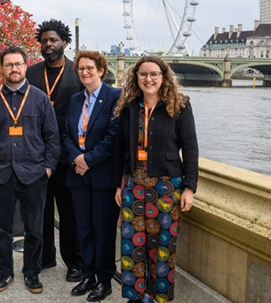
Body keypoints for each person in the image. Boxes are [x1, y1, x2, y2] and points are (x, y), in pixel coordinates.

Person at [113, 56, 199, 303]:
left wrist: (189, 188)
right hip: (133, 184)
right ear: (135, 77)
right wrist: (119, 185)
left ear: (163, 76)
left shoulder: (180, 105)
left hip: (167, 186)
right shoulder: (130, 106)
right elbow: (120, 151)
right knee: (132, 244)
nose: (148, 79)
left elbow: (190, 149)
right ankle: (135, 294)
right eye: (143, 74)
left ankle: (157, 295)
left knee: (163, 244)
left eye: (153, 74)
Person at [0, 46, 60, 294]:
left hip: (33, 173)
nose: (14, 69)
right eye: (9, 64)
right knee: (1, 229)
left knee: (34, 228)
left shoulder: (40, 98)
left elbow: (52, 137)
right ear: (1, 68)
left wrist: (47, 168)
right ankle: (4, 272)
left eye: (18, 64)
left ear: (26, 66)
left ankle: (32, 273)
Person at [62, 50, 121, 302]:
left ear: (101, 70)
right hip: (78, 175)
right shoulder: (76, 99)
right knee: (83, 228)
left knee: (103, 230)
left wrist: (87, 160)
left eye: (89, 68)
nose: (85, 72)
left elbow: (113, 138)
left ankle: (104, 279)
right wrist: (76, 157)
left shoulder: (115, 97)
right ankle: (88, 275)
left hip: (103, 177)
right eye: (81, 69)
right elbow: (66, 133)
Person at [26, 19, 83, 282]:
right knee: (40, 211)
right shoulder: (31, 74)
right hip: (36, 155)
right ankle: (43, 258)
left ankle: (73, 262)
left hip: (68, 157)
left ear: (64, 42)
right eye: (44, 41)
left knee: (69, 213)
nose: (48, 45)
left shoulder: (78, 74)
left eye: (53, 40)